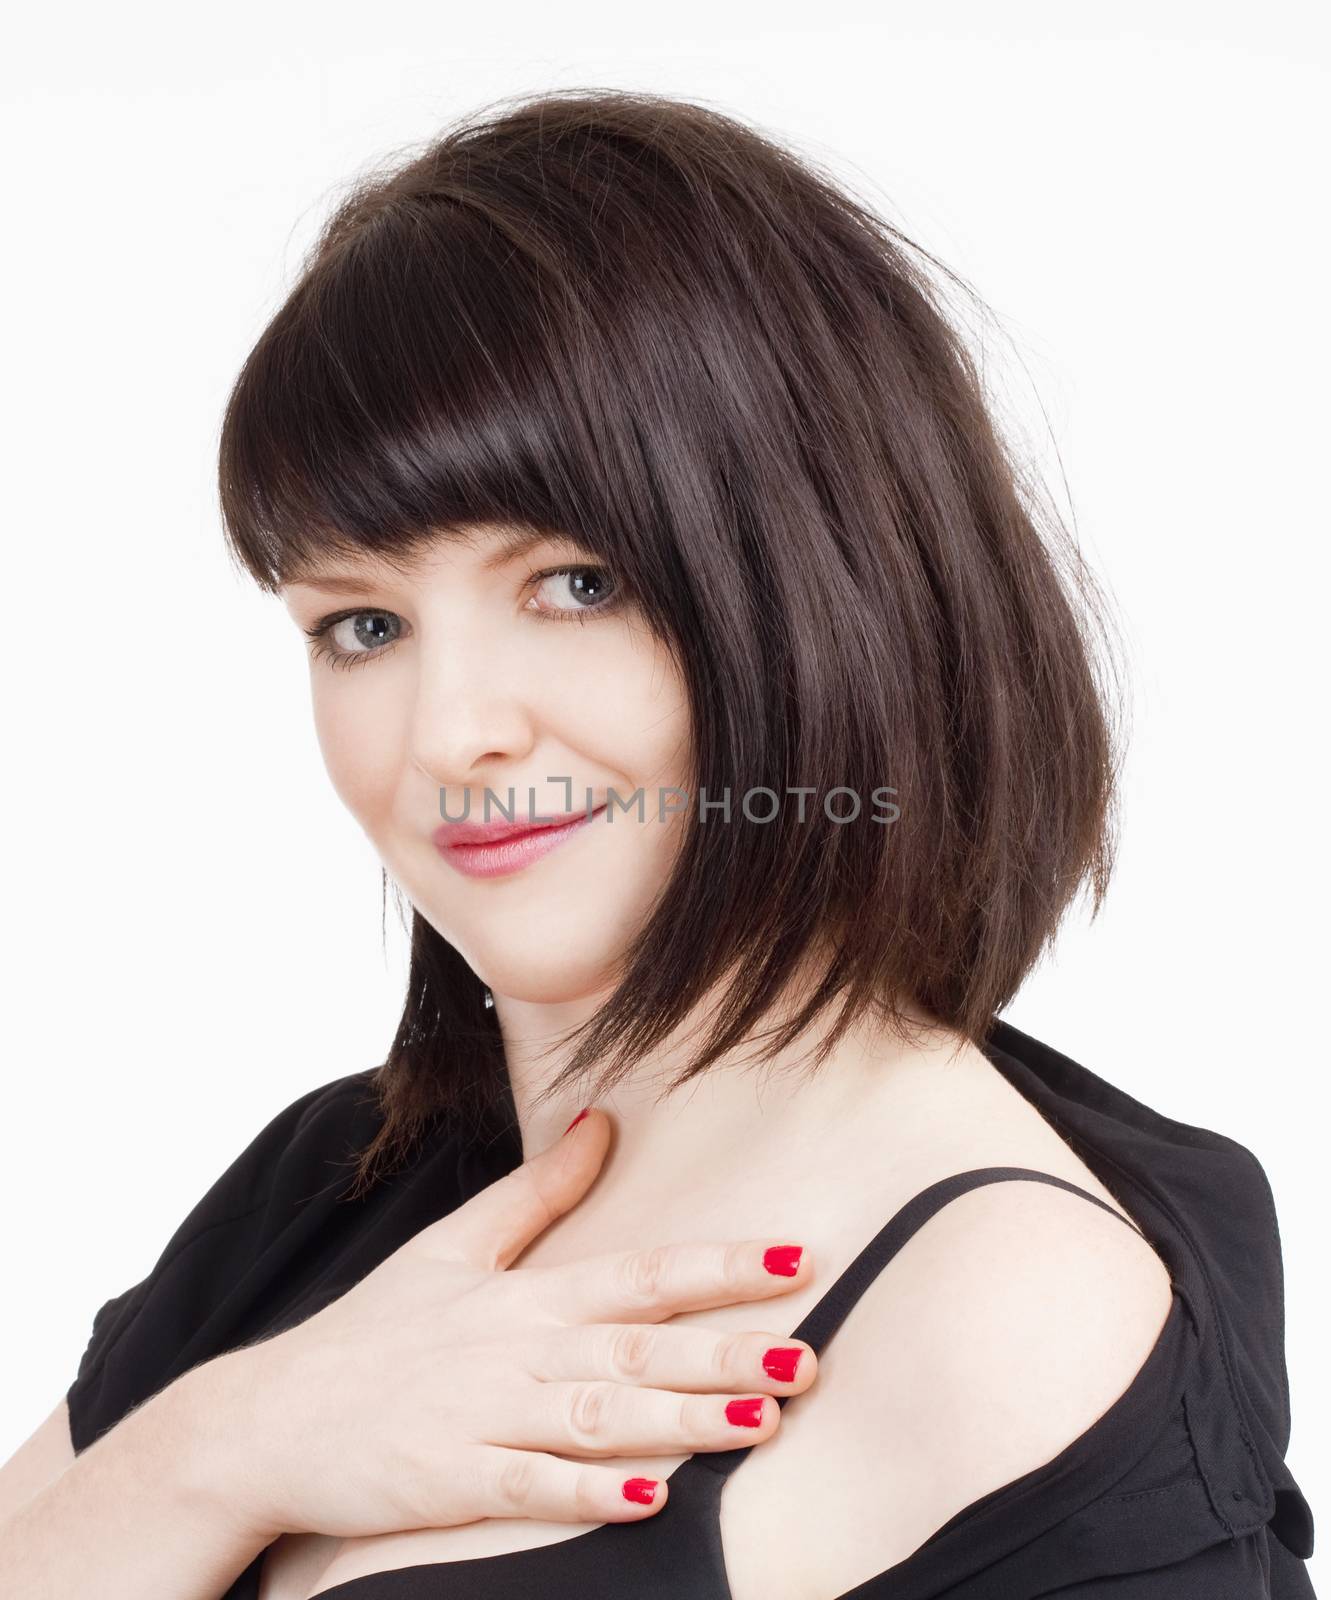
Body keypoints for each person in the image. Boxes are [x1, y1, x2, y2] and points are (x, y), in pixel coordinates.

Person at [0, 88, 1315, 1600]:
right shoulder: (329, 1189)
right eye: (362, 625)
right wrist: (222, 1448)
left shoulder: (1004, 1321)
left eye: (573, 583)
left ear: (832, 583)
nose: (448, 735)